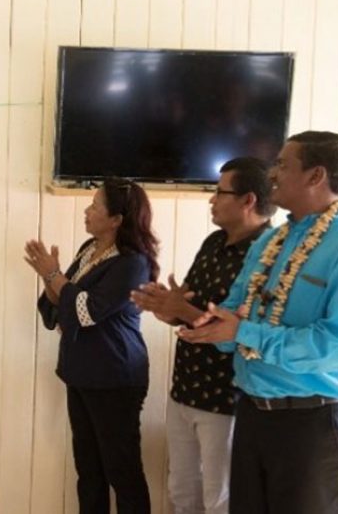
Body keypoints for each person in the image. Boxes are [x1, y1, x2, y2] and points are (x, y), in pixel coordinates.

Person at [178, 131, 338, 514]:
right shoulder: (272, 242)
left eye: (283, 164)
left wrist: (242, 331)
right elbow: (237, 309)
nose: (273, 173)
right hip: (253, 412)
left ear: (316, 176)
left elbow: (336, 345)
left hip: (314, 422)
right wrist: (211, 322)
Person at [130, 158, 274, 514]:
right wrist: (164, 307)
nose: (211, 200)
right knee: (181, 491)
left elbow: (239, 327)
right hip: (185, 389)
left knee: (221, 497)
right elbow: (189, 307)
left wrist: (182, 310)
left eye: (219, 192)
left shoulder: (271, 253)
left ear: (248, 200)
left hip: (227, 398)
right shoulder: (213, 242)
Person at [26, 177, 159, 514]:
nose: (87, 211)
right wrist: (51, 277)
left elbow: (86, 310)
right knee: (89, 471)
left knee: (122, 471)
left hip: (115, 378)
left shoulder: (133, 262)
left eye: (96, 206)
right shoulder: (90, 249)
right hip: (82, 373)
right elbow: (64, 299)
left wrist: (54, 275)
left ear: (116, 219)